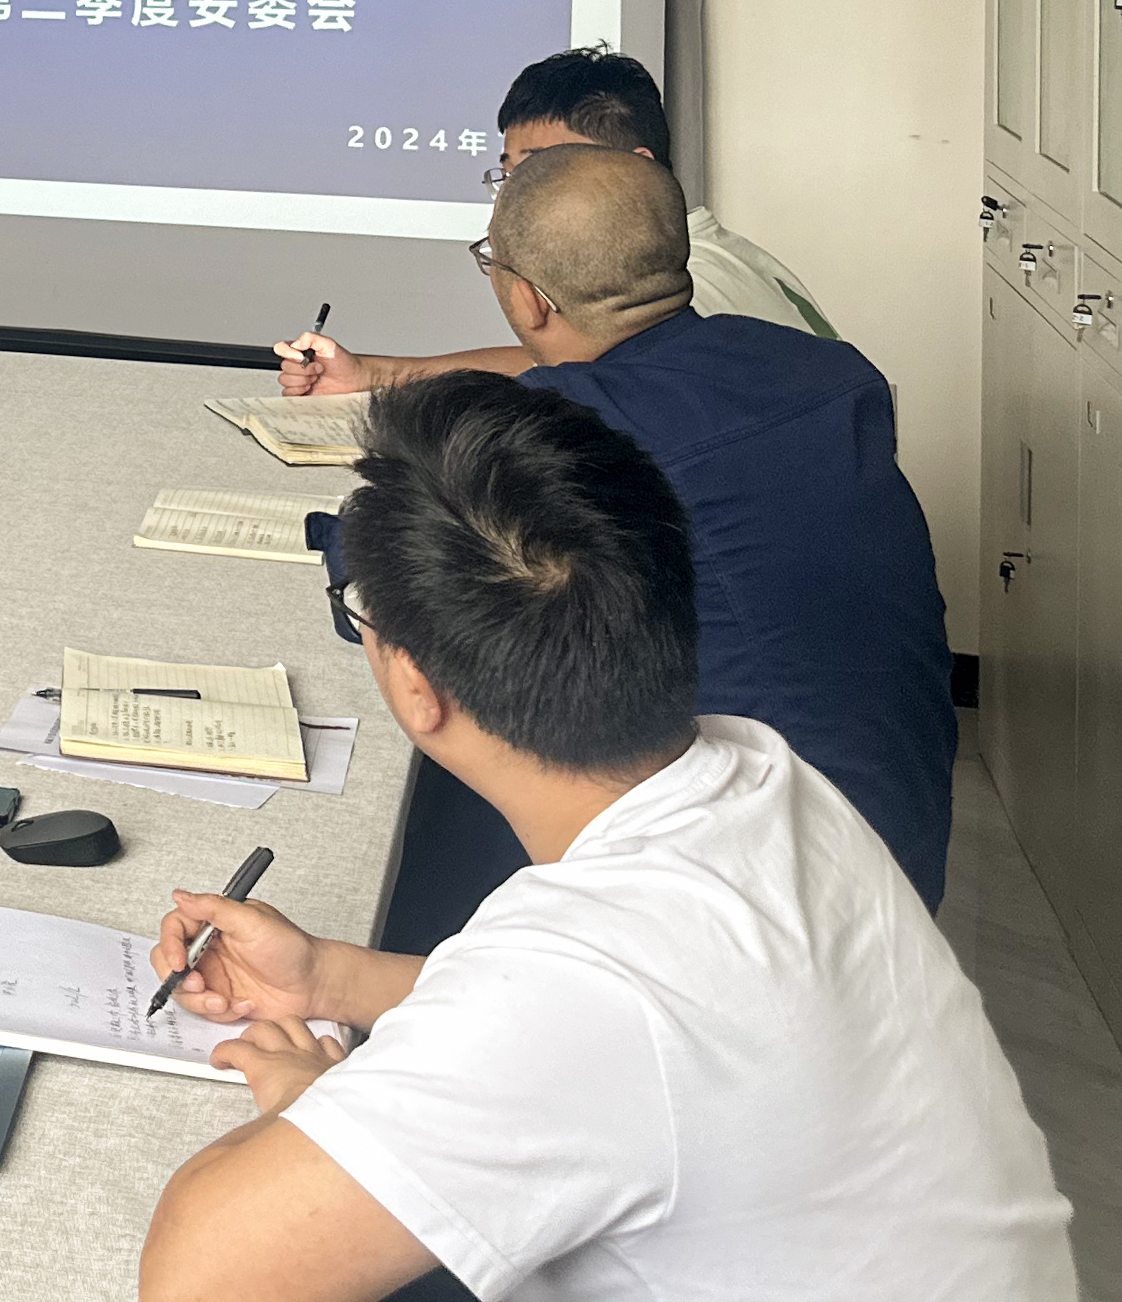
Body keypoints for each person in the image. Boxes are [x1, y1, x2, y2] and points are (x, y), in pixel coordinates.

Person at [138, 372, 1070, 1302]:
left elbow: (198, 1279)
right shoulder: (764, 780)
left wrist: (321, 1109)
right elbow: (632, 1037)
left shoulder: (585, 980)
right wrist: (329, 978)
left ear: (418, 687)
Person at [321, 146, 956, 952]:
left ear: (527, 298)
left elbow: (398, 571)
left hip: (758, 899)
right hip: (896, 835)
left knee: (454, 752)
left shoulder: (577, 431)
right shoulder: (819, 369)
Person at [276, 45, 834, 397]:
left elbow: (567, 372)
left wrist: (383, 376)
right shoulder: (707, 253)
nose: (516, 197)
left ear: (636, 166)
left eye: (543, 168)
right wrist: (374, 374)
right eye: (508, 174)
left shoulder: (695, 282)